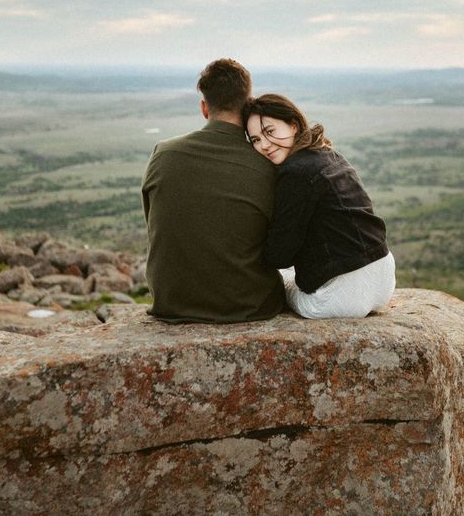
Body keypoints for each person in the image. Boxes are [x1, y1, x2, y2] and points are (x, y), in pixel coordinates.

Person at [141, 60, 285, 323]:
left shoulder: (163, 154)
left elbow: (157, 224)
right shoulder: (266, 165)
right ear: (248, 104)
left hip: (171, 303)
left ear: (204, 108)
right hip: (249, 306)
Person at [243, 94, 395, 319]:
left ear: (293, 125)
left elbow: (279, 255)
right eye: (255, 140)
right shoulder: (329, 154)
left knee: (278, 280)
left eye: (270, 131)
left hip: (339, 297)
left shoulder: (294, 172)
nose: (264, 145)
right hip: (383, 279)